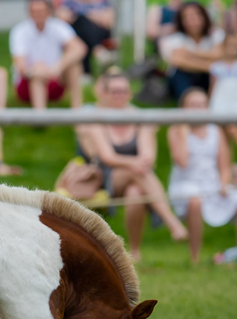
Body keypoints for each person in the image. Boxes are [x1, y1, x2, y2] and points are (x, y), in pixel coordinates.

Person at [80, 72, 188, 259]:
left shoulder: (140, 118)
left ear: (130, 93)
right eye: (114, 91)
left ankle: (134, 253)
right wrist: (134, 163)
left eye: (123, 91)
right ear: (104, 93)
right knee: (138, 174)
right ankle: (171, 221)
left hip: (139, 176)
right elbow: (107, 157)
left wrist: (138, 163)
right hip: (105, 177)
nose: (119, 95)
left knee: (135, 192)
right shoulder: (95, 118)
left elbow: (149, 156)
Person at [168, 88, 237, 265]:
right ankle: (194, 258)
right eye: (192, 105)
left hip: (212, 184)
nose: (197, 109)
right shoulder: (175, 131)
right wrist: (184, 132)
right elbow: (182, 162)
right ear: (183, 108)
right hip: (185, 184)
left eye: (201, 104)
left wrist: (224, 183)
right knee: (195, 201)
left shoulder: (216, 131)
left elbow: (224, 166)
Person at [10, 0, 87, 109]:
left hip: (54, 78)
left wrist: (57, 67)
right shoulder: (19, 31)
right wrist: (36, 71)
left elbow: (79, 48)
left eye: (41, 10)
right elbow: (21, 65)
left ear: (49, 11)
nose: (38, 14)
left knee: (74, 66)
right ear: (29, 12)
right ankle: (40, 117)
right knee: (37, 72)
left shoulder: (58, 26)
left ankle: (77, 112)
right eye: (35, 11)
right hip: (28, 83)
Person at [55, 0, 114, 75]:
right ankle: (98, 51)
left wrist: (80, 14)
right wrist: (91, 14)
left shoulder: (103, 2)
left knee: (81, 21)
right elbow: (60, 18)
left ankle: (85, 73)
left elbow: (108, 22)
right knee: (80, 22)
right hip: (74, 33)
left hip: (97, 32)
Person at [159, 1, 224, 101]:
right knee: (181, 73)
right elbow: (179, 61)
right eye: (186, 17)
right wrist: (210, 65)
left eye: (195, 15)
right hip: (183, 78)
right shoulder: (174, 38)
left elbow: (219, 54)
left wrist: (189, 53)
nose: (191, 20)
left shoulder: (216, 34)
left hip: (208, 77)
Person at [209, 32, 237, 163]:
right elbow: (213, 87)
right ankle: (226, 162)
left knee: (233, 129)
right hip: (220, 101)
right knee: (223, 135)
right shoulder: (216, 67)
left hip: (236, 101)